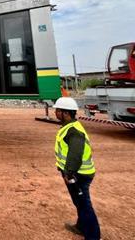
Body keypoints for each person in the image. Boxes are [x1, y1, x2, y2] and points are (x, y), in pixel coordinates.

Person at [53, 97, 100, 240]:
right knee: (79, 202)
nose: (56, 113)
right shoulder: (70, 127)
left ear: (65, 113)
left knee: (84, 205)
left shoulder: (73, 131)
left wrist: (69, 173)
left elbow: (76, 153)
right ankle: (81, 227)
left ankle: (93, 236)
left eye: (58, 111)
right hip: (77, 174)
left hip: (78, 175)